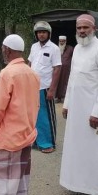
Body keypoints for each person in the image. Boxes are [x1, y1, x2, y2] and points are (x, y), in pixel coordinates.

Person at [59, 14, 98, 195]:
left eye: (86, 27)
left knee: (95, 150)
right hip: (77, 109)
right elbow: (73, 80)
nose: (82, 31)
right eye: (79, 28)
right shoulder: (77, 50)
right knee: (78, 148)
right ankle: (79, 184)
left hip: (94, 112)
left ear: (94, 29)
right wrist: (67, 104)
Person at [0, 34, 40, 195]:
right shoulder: (32, 73)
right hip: (26, 136)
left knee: (3, 189)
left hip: (8, 139)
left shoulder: (7, 73)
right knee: (20, 186)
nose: (2, 51)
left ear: (7, 50)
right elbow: (36, 105)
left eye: (3, 48)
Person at [28, 21, 62, 153]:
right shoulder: (34, 47)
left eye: (44, 32)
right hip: (33, 87)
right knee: (34, 115)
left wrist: (52, 89)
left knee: (46, 116)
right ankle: (37, 141)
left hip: (46, 87)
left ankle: (49, 143)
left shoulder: (54, 48)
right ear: (36, 34)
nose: (41, 35)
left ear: (48, 33)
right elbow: (30, 64)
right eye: (39, 32)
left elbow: (57, 69)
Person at [55, 35, 74, 103]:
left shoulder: (70, 48)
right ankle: (58, 97)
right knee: (57, 82)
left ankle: (64, 98)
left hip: (67, 70)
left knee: (65, 83)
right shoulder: (56, 48)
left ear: (65, 41)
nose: (62, 42)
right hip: (57, 69)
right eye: (60, 41)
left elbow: (74, 58)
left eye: (63, 41)